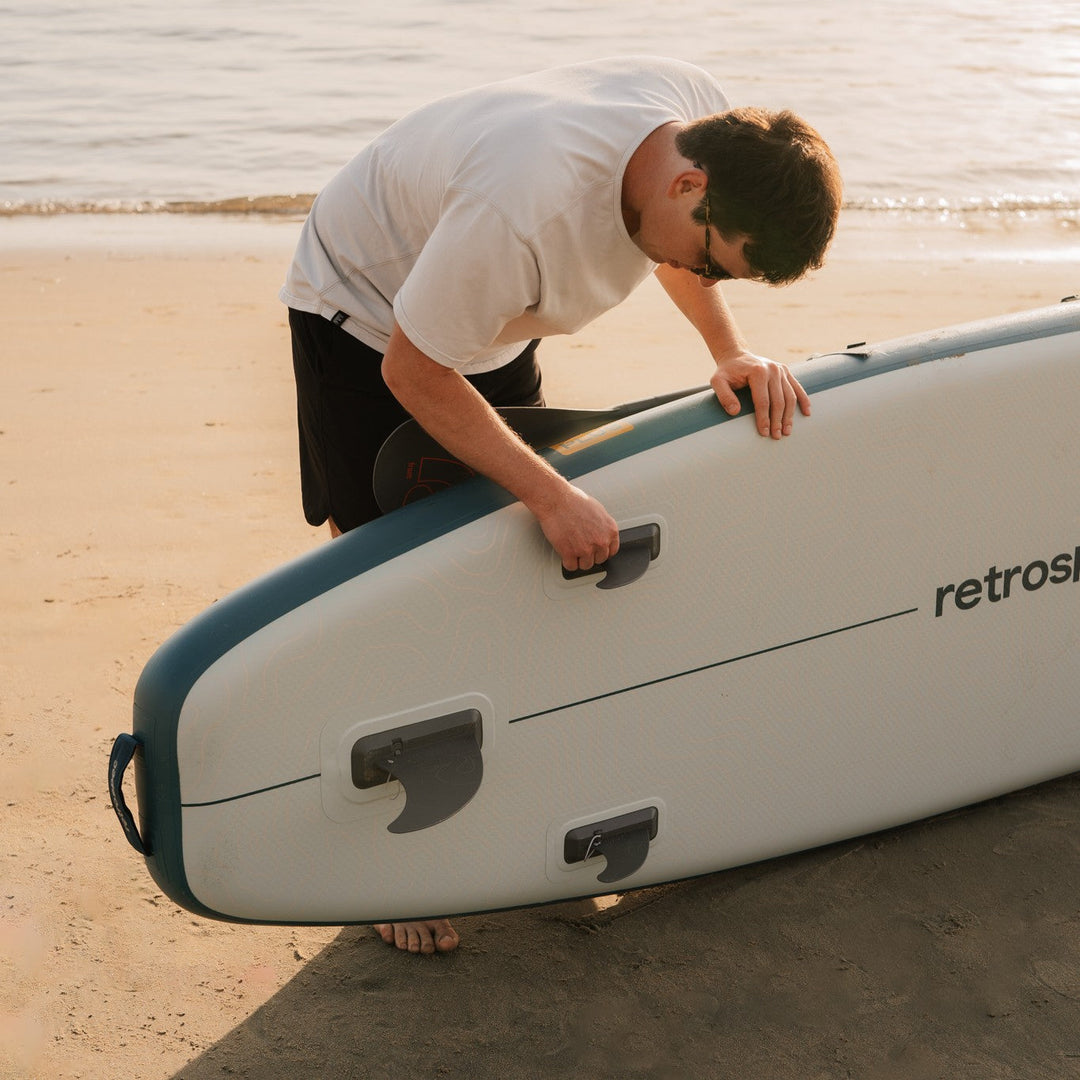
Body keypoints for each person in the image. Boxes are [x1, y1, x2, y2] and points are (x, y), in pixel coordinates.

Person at [281, 55, 842, 955]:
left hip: (488, 310)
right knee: (386, 582)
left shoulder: (693, 120)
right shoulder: (525, 212)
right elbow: (415, 370)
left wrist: (727, 349)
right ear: (687, 182)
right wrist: (550, 493)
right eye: (706, 254)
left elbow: (678, 251)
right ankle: (378, 864)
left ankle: (490, 759)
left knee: (503, 559)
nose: (695, 270)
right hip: (368, 313)